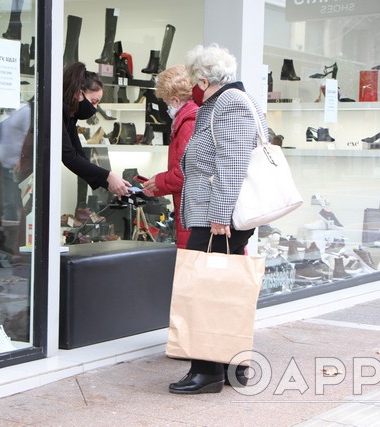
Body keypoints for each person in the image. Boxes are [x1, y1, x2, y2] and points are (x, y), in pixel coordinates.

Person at [169, 44, 268, 395]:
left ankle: (206, 371)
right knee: (223, 288)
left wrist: (219, 214)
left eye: (196, 79)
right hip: (215, 214)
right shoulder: (223, 102)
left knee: (205, 289)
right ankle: (232, 364)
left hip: (217, 216)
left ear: (204, 78)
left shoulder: (229, 103)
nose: (193, 86)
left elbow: (233, 162)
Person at [141, 65, 197, 249]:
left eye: (165, 102)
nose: (166, 108)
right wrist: (156, 184)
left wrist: (159, 181)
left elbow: (186, 174)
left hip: (191, 211)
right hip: (190, 209)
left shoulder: (188, 124)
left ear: (174, 99)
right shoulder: (190, 120)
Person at [62, 62, 130, 197]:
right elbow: (69, 157)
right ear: (78, 93)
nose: (94, 108)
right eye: (93, 102)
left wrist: (108, 182)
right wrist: (108, 177)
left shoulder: (69, 116)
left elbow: (78, 154)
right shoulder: (60, 112)